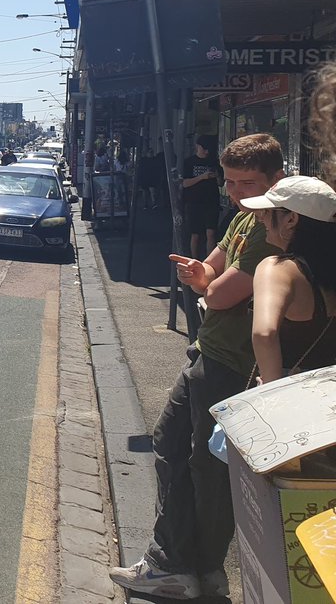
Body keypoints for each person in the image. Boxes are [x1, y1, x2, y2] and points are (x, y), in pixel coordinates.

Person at [109, 133, 285, 600]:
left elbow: (218, 290)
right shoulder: (243, 219)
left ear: (277, 178)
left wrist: (210, 284)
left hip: (234, 364)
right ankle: (179, 563)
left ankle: (195, 570)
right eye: (228, 182)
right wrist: (208, 281)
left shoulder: (275, 229)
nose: (235, 192)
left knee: (206, 469)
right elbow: (209, 272)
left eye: (246, 182)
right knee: (174, 447)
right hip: (209, 350)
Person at [242, 176, 336, 384]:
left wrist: (271, 387)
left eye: (267, 212)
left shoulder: (276, 269)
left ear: (291, 219)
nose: (260, 219)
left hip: (292, 395)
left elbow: (264, 334)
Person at [181, 135, 222, 259]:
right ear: (198, 147)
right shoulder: (189, 162)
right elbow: (185, 183)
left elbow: (221, 183)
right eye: (204, 149)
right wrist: (201, 177)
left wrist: (217, 176)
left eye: (208, 150)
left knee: (211, 233)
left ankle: (209, 262)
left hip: (211, 201)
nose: (206, 152)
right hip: (194, 202)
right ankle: (194, 259)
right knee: (195, 234)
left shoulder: (214, 162)